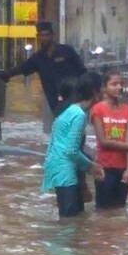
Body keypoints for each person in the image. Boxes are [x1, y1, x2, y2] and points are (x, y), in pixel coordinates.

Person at [0, 21, 86, 128]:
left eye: (47, 35)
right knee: (63, 129)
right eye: (42, 35)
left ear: (52, 35)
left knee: (76, 128)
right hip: (55, 103)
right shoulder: (38, 58)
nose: (45, 38)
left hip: (73, 99)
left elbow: (82, 70)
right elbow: (22, 68)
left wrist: (84, 93)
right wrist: (5, 74)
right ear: (38, 37)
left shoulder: (67, 51)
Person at [42, 77, 105, 218]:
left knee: (73, 220)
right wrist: (91, 166)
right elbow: (71, 151)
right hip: (65, 172)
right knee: (69, 222)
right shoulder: (79, 115)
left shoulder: (69, 110)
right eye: (101, 89)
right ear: (95, 93)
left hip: (58, 169)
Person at [89, 70, 128, 210]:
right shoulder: (98, 110)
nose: (119, 87)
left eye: (121, 84)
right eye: (114, 84)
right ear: (104, 88)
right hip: (105, 168)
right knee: (103, 211)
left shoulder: (127, 109)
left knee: (120, 211)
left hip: (122, 169)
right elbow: (103, 141)